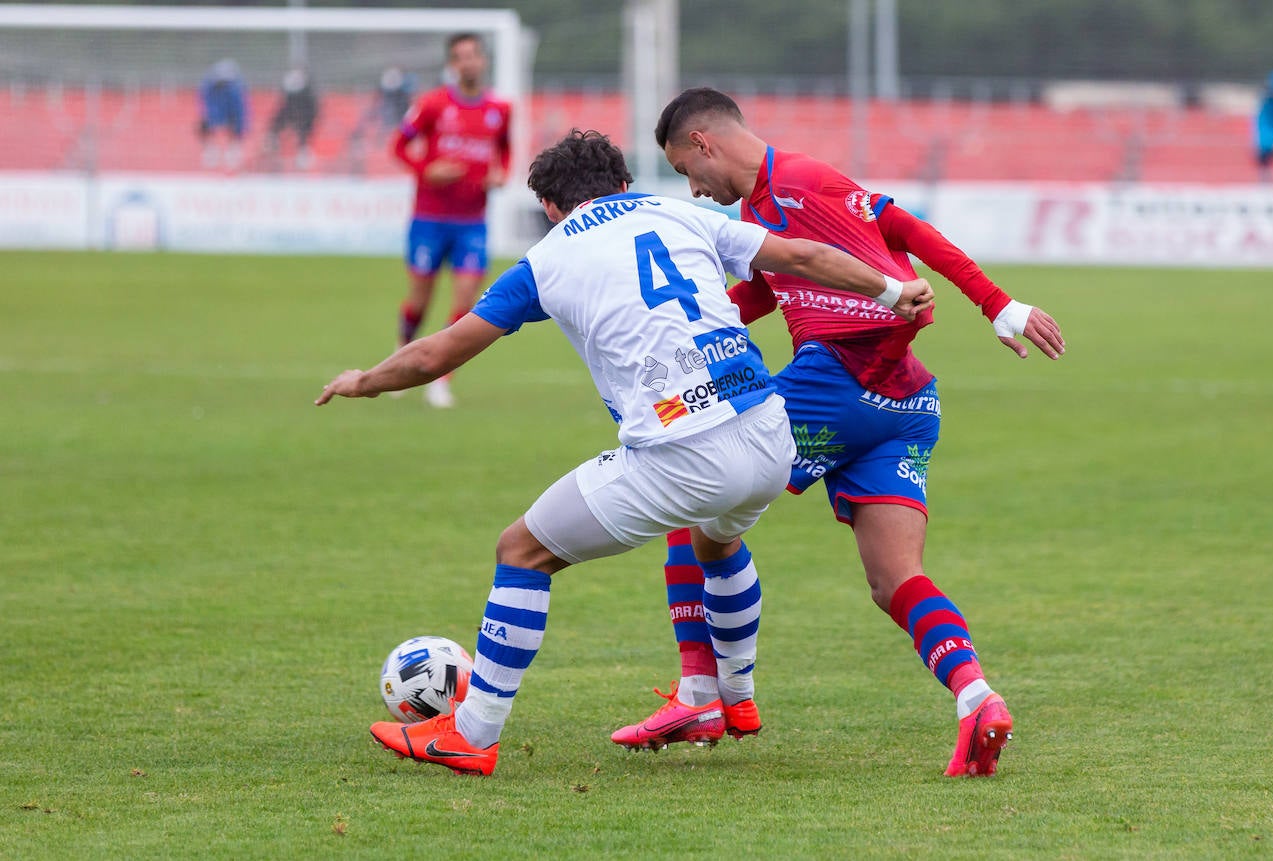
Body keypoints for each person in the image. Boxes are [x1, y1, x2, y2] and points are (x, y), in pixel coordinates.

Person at [316, 130, 934, 776]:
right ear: (621, 185)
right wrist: (892, 291)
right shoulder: (678, 211)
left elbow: (435, 353)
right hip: (769, 432)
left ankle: (472, 733)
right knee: (716, 541)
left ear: (551, 207)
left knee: (520, 549)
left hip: (683, 453)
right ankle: (738, 695)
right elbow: (802, 254)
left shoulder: (546, 258)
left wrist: (364, 380)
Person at [610, 88, 1066, 777]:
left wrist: (996, 303)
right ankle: (978, 698)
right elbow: (771, 289)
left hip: (837, 380)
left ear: (704, 143)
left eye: (685, 171)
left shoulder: (797, 182)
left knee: (691, 488)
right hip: (904, 403)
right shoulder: (770, 204)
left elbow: (904, 231)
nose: (696, 190)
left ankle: (702, 692)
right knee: (894, 580)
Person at [390, 32, 512, 408]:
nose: (468, 63)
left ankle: (440, 379)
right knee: (419, 303)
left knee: (466, 303)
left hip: (471, 223)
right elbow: (398, 145)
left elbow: (504, 151)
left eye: (473, 55)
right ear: (452, 65)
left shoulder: (500, 109)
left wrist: (501, 174)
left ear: (483, 61)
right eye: (460, 57)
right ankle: (401, 359)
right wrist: (427, 170)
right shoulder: (432, 105)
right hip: (429, 219)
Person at [197, 59, 248, 170]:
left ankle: (233, 150)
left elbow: (240, 111)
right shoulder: (209, 88)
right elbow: (205, 107)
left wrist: (239, 126)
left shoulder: (235, 90)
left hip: (231, 115)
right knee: (203, 125)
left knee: (237, 126)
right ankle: (210, 149)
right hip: (217, 113)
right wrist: (213, 119)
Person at [267, 69, 319, 170]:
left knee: (304, 134)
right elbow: (281, 115)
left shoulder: (310, 103)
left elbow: (312, 118)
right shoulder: (289, 103)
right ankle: (274, 149)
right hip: (292, 120)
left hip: (305, 123)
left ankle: (303, 154)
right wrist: (273, 133)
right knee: (275, 132)